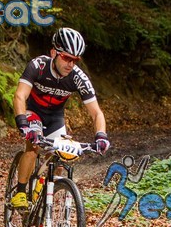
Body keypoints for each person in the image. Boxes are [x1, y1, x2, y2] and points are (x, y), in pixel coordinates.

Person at [10, 27, 110, 208]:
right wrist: (23, 124)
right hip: (33, 112)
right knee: (33, 147)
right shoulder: (38, 66)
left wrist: (101, 136)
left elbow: (97, 113)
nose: (70, 64)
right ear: (53, 52)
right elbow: (19, 96)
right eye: (66, 58)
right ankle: (20, 193)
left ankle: (42, 191)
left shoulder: (78, 78)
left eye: (75, 60)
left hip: (55, 117)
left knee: (61, 158)